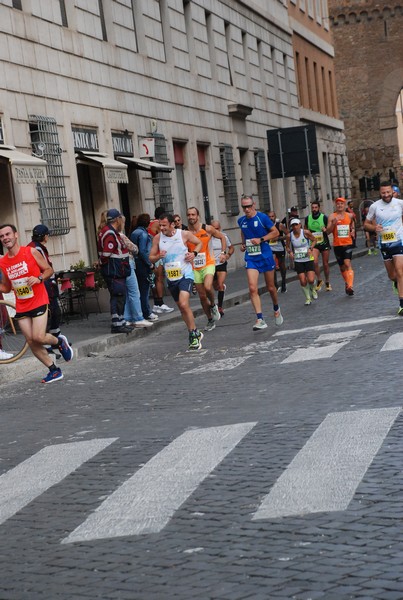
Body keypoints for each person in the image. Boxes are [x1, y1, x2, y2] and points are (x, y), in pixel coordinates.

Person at [0, 223, 73, 383]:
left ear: (16, 235)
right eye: (2, 236)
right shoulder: (3, 262)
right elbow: (6, 287)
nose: (5, 238)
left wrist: (38, 278)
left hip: (38, 300)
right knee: (32, 341)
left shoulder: (30, 252)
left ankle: (59, 341)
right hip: (22, 304)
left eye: (7, 234)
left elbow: (48, 270)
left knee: (39, 337)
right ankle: (54, 370)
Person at [149, 213, 204, 350]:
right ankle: (195, 331)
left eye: (164, 225)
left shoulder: (183, 234)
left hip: (186, 274)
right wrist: (158, 256)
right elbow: (150, 258)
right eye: (160, 225)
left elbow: (199, 243)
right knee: (181, 308)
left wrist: (193, 254)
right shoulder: (157, 238)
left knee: (184, 303)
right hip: (172, 277)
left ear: (172, 224)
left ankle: (192, 334)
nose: (161, 228)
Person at [238, 195, 284, 330]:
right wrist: (243, 244)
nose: (246, 209)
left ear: (254, 205)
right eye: (244, 207)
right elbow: (243, 232)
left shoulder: (262, 217)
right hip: (251, 257)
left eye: (248, 206)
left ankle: (276, 308)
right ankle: (260, 319)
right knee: (252, 288)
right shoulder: (241, 221)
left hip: (265, 255)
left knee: (271, 288)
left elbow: (275, 233)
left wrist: (261, 239)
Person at [364, 181, 403, 315]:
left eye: (388, 192)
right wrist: (374, 228)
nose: (386, 195)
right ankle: (395, 282)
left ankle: (402, 304)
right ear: (379, 193)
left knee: (400, 271)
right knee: (392, 276)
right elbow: (366, 224)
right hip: (385, 243)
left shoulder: (400, 203)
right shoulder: (375, 207)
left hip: (399, 241)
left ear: (392, 192)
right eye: (383, 193)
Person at [186, 206, 227, 331]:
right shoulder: (185, 233)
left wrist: (223, 252)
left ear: (198, 216)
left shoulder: (207, 229)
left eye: (193, 214)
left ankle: (214, 305)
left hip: (208, 263)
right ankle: (210, 319)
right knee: (202, 296)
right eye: (189, 215)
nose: (191, 217)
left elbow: (222, 237)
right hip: (194, 267)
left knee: (208, 286)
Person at [27, 224, 62, 357]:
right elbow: (45, 268)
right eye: (48, 234)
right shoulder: (37, 249)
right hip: (44, 284)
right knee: (48, 314)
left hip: (41, 283)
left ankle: (56, 340)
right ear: (44, 236)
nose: (48, 236)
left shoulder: (33, 246)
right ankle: (49, 345)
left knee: (53, 313)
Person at [97, 208, 133, 333]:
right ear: (117, 220)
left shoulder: (110, 231)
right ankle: (117, 323)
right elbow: (107, 253)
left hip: (117, 270)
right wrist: (102, 263)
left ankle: (121, 321)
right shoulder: (110, 233)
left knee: (120, 296)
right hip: (114, 270)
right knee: (117, 296)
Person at [119, 219, 153, 329]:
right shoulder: (120, 235)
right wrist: (149, 263)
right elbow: (136, 249)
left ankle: (127, 318)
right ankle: (138, 317)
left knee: (127, 293)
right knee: (134, 291)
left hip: (119, 265)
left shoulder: (105, 234)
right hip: (127, 262)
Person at [130, 213, 159, 323]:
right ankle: (146, 311)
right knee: (144, 289)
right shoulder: (143, 234)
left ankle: (141, 311)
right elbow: (142, 251)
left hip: (135, 263)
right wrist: (150, 263)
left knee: (138, 289)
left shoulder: (134, 232)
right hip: (142, 264)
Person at [326, 197, 356, 296]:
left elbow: (352, 225)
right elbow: (328, 231)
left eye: (342, 204)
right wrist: (333, 224)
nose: (340, 205)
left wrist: (352, 230)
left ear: (345, 205)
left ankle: (350, 286)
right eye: (338, 204)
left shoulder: (350, 215)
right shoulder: (332, 216)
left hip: (347, 243)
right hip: (337, 245)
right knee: (342, 267)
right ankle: (347, 283)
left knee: (347, 263)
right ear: (336, 205)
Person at [148, 206, 174, 314]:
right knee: (159, 279)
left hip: (151, 253)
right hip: (158, 254)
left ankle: (157, 303)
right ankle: (160, 303)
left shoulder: (149, 224)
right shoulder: (158, 225)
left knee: (154, 280)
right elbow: (165, 236)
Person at [286, 219, 318, 305]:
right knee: (303, 281)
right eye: (293, 225)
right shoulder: (290, 235)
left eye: (296, 225)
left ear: (300, 225)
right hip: (298, 260)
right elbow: (287, 247)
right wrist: (290, 252)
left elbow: (314, 240)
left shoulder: (306, 232)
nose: (295, 227)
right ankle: (308, 298)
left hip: (308, 258)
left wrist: (311, 248)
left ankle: (313, 289)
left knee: (311, 280)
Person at [305, 201, 332, 291]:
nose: (314, 209)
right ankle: (320, 280)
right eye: (312, 208)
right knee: (315, 262)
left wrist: (325, 230)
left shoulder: (324, 217)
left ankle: (327, 281)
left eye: (316, 207)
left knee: (325, 264)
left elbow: (328, 231)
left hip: (324, 243)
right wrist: (306, 234)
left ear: (319, 208)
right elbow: (305, 229)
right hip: (314, 244)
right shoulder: (307, 218)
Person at [210, 219, 234, 317]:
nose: (215, 230)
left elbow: (231, 247)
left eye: (217, 228)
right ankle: (221, 289)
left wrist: (227, 255)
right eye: (213, 228)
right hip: (211, 265)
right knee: (214, 287)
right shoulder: (207, 237)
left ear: (219, 228)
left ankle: (219, 307)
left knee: (219, 284)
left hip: (221, 264)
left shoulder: (223, 236)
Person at [267, 210, 287, 293]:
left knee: (282, 265)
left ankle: (283, 283)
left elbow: (288, 235)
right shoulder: (266, 226)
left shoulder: (280, 225)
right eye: (269, 217)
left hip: (279, 248)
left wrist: (278, 238)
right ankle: (275, 284)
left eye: (272, 216)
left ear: (275, 217)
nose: (271, 218)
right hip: (270, 248)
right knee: (272, 266)